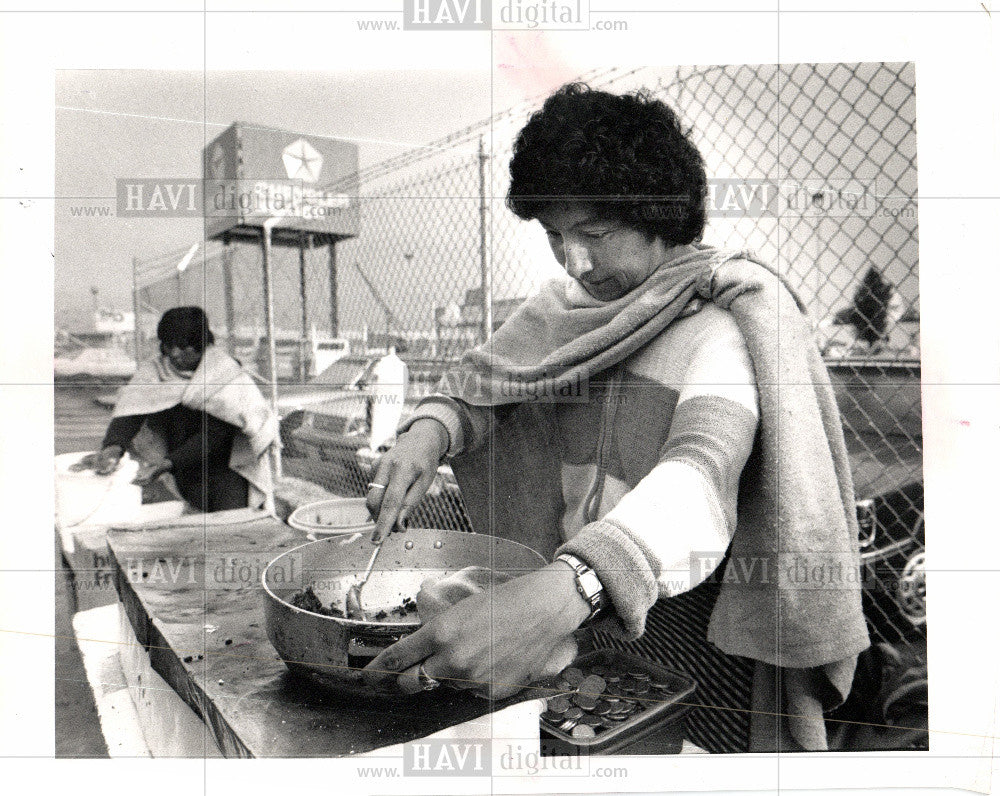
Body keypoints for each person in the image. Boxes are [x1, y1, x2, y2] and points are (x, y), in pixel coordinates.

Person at [361, 84, 869, 753]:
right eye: (555, 236)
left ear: (659, 215)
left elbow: (699, 471)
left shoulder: (722, 327)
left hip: (687, 635)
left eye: (595, 234)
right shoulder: (561, 312)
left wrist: (575, 583)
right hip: (567, 625)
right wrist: (428, 432)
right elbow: (484, 386)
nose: (575, 262)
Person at [74, 306, 278, 513]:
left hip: (226, 472)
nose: (174, 354)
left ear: (201, 344)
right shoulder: (155, 371)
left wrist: (167, 464)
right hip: (183, 471)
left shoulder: (225, 375)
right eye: (168, 345)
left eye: (183, 347)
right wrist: (113, 447)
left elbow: (216, 435)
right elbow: (131, 412)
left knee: (228, 529)